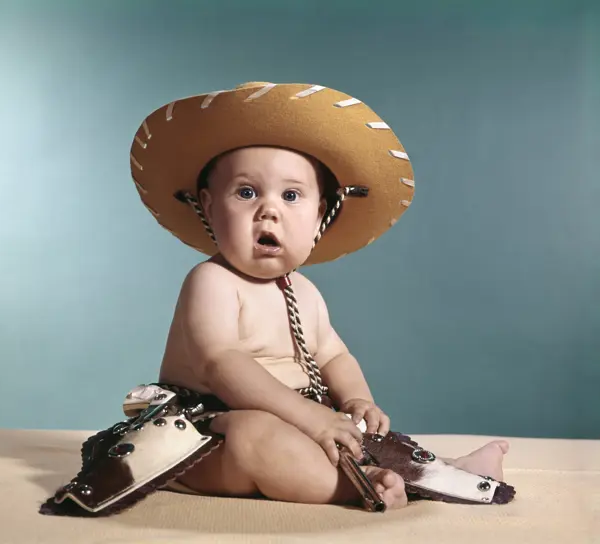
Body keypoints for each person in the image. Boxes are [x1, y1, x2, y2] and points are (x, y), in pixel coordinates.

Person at [41, 82, 515, 517]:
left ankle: (448, 471)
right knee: (255, 437)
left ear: (319, 219)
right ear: (208, 206)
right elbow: (221, 363)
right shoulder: (211, 282)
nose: (268, 209)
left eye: (292, 195)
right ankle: (356, 487)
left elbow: (332, 352)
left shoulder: (303, 292)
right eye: (246, 192)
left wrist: (355, 399)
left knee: (363, 435)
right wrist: (310, 417)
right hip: (207, 434)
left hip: (304, 420)